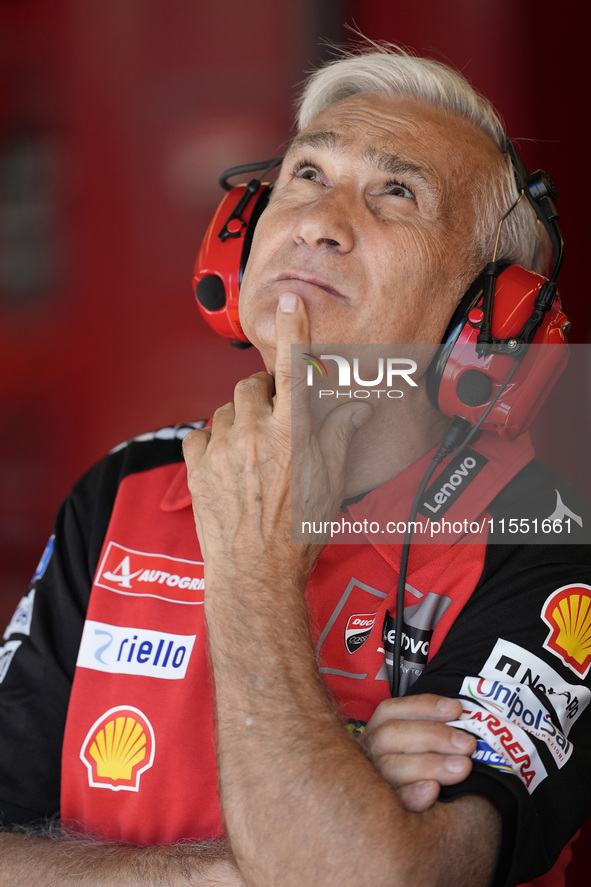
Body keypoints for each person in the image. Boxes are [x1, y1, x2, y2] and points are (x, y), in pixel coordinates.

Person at [0, 43, 590, 887]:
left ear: (485, 317)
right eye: (306, 174)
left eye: (396, 192)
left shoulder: (546, 544)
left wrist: (252, 573)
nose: (319, 218)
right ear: (237, 242)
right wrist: (230, 871)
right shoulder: (123, 489)